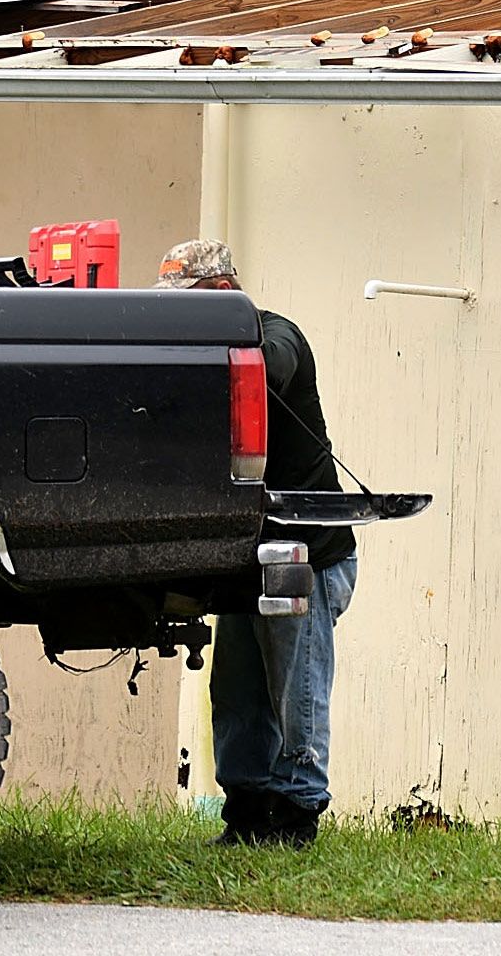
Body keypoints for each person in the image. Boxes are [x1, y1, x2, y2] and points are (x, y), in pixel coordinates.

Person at [157, 237, 358, 847]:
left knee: (295, 686)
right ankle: (246, 811)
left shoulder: (277, 335)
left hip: (307, 556)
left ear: (222, 294)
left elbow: (266, 371)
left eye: (185, 305)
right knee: (239, 688)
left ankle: (297, 814)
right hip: (250, 555)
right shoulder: (205, 349)